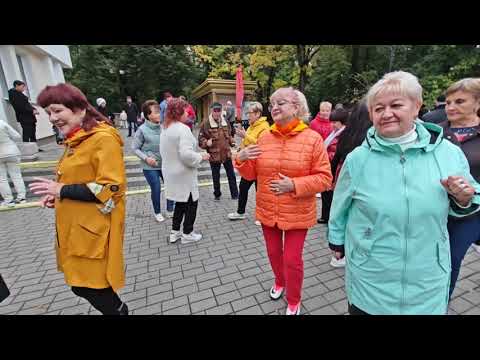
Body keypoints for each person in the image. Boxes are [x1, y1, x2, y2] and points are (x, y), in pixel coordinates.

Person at [328, 71, 480, 315]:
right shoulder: (358, 159)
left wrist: (465, 197)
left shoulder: (448, 152)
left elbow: (472, 194)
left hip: (427, 278)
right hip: (371, 276)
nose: (386, 113)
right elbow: (340, 203)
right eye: (378, 109)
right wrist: (336, 238)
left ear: (416, 106)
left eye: (396, 105)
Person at [29, 83, 128, 315]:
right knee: (80, 285)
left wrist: (62, 190)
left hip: (94, 231)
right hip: (77, 229)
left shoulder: (102, 139)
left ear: (80, 109)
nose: (52, 118)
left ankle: (120, 312)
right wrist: (58, 196)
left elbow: (109, 187)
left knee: (92, 287)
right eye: (48, 113)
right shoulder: (77, 138)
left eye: (57, 110)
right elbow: (78, 179)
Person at [235, 87, 332, 315]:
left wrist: (295, 185)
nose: (274, 107)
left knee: (291, 258)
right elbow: (251, 175)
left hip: (297, 211)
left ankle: (294, 299)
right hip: (268, 208)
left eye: (281, 102)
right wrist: (241, 159)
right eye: (272, 104)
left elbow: (325, 179)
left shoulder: (312, 139)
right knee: (273, 253)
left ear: (297, 107)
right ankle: (280, 281)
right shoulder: (264, 136)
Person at [439, 78, 480, 297]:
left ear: (477, 102)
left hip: (470, 214)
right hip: (434, 207)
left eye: (459, 101)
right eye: (448, 102)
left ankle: (439, 304)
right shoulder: (434, 133)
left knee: (451, 259)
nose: (451, 107)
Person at [327, 101, 372, 268]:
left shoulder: (346, 134)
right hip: (365, 181)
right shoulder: (372, 137)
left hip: (344, 175)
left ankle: (340, 251)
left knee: (343, 208)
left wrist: (331, 179)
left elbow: (337, 157)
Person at [160, 98, 210, 244]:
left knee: (180, 203)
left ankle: (174, 232)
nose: (188, 113)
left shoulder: (166, 128)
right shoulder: (183, 129)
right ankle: (188, 233)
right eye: (186, 110)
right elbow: (186, 155)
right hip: (184, 174)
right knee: (191, 203)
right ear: (180, 112)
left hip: (171, 173)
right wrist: (201, 156)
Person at [227, 102, 269, 224]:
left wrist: (246, 135)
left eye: (249, 113)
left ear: (257, 113)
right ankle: (240, 212)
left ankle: (262, 216)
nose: (248, 115)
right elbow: (247, 142)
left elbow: (262, 145)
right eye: (247, 113)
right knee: (243, 187)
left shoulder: (265, 127)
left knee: (260, 192)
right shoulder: (251, 126)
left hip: (260, 164)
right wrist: (239, 148)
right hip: (250, 165)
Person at [132, 100, 175, 222]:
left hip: (165, 164)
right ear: (148, 115)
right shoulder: (142, 130)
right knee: (156, 188)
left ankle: (170, 209)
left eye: (159, 111)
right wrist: (146, 158)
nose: (159, 114)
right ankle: (157, 212)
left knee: (170, 185)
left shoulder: (163, 127)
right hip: (150, 166)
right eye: (155, 112)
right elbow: (134, 148)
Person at [198, 102, 239, 201]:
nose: (217, 113)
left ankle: (235, 194)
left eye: (218, 110)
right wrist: (206, 143)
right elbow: (200, 139)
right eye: (215, 110)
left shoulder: (226, 121)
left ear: (221, 111)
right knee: (215, 176)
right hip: (214, 154)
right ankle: (217, 194)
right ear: (211, 111)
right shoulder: (206, 123)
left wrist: (232, 142)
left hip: (226, 153)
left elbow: (229, 135)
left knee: (231, 175)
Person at [317, 108, 349, 226]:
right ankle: (325, 216)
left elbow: (336, 153)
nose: (332, 124)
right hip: (327, 165)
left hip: (333, 167)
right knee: (326, 192)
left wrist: (325, 156)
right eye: (332, 122)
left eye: (335, 122)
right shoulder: (334, 132)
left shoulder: (344, 134)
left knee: (331, 194)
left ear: (342, 122)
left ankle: (330, 217)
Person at [0, 119, 27, 207]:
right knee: (16, 176)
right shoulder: (2, 122)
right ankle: (21, 198)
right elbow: (17, 136)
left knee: (2, 179)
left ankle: (8, 200)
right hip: (12, 151)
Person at [8, 80, 40, 144]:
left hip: (29, 116)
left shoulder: (19, 93)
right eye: (22, 87)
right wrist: (32, 110)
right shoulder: (13, 94)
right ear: (17, 86)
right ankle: (27, 147)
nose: (24, 89)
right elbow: (20, 107)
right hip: (24, 117)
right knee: (27, 132)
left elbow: (27, 104)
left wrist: (34, 109)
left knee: (32, 132)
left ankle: (34, 146)